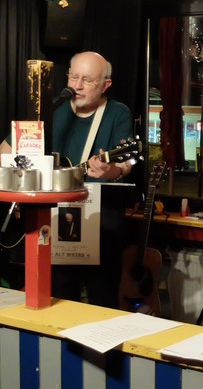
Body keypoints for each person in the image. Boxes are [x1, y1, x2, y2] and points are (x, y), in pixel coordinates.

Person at [1, 50, 135, 306]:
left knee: (103, 302)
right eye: (74, 77)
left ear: (105, 85)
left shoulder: (118, 113)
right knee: (58, 301)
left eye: (87, 80)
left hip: (101, 225)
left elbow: (125, 163)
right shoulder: (51, 110)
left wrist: (111, 170)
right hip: (53, 222)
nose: (77, 86)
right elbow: (5, 152)